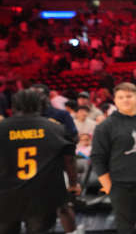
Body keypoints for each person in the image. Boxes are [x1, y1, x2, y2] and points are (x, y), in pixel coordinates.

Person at [0, 89, 80, 234]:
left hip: (6, 195)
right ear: (41, 105)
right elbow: (69, 159)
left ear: (14, 106)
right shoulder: (54, 128)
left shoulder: (2, 127)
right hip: (42, 195)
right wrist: (74, 184)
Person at [90, 82, 136, 234]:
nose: (125, 100)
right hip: (121, 187)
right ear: (115, 101)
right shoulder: (105, 126)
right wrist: (110, 188)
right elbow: (97, 159)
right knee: (125, 229)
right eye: (121, 97)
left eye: (129, 96)